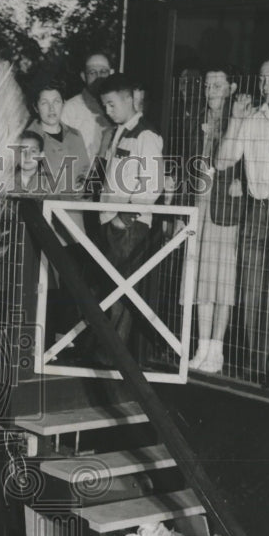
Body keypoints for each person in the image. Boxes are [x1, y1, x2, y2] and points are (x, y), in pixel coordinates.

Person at [216, 56, 269, 379]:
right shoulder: (251, 119)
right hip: (258, 209)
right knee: (252, 290)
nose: (266, 86)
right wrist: (236, 121)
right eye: (263, 79)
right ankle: (259, 364)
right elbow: (224, 162)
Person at [96, 74, 164, 349]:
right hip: (112, 222)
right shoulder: (121, 131)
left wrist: (124, 219)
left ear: (129, 99)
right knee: (113, 288)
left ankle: (113, 355)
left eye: (112, 104)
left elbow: (152, 184)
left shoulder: (145, 134)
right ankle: (108, 352)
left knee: (120, 292)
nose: (108, 111)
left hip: (128, 225)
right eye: (105, 106)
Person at [185, 66, 243, 374]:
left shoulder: (240, 119)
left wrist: (242, 182)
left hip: (225, 210)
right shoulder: (196, 119)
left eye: (218, 85)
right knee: (201, 279)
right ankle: (202, 344)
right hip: (200, 206)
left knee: (223, 280)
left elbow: (249, 160)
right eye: (208, 85)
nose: (211, 91)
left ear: (232, 88)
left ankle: (217, 348)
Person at [26, 83, 91, 197]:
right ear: (36, 107)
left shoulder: (75, 136)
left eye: (56, 102)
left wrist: (82, 184)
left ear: (63, 104)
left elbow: (84, 170)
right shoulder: (26, 140)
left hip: (72, 210)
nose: (51, 108)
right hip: (39, 210)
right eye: (44, 103)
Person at [61, 52, 115, 162]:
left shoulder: (118, 108)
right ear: (83, 76)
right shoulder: (71, 108)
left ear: (111, 73)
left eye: (103, 72)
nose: (98, 77)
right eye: (92, 72)